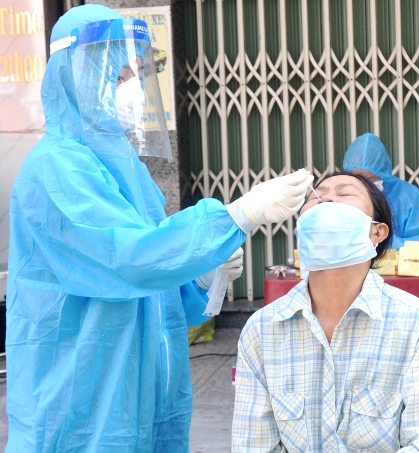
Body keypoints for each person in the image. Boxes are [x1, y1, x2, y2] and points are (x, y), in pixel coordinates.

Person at [5, 5, 312, 451]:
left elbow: (155, 290)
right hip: (81, 404)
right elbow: (128, 260)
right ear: (76, 78)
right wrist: (234, 217)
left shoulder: (126, 170)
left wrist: (201, 278)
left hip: (143, 398)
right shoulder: (56, 168)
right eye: (118, 77)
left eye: (133, 77)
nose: (129, 90)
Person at [232, 171, 419, 452]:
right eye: (316, 196)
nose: (328, 198)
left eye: (345, 194)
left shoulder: (417, 324)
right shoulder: (262, 330)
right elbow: (253, 444)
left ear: (376, 232)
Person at [343, 133, 419, 249]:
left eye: (371, 179)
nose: (365, 185)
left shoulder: (409, 196)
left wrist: (383, 240)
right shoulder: (340, 197)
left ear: (382, 172)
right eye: (358, 179)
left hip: (399, 266)